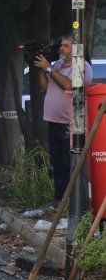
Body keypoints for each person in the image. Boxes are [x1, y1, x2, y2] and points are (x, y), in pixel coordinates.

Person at [33, 35, 92, 203]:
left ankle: (73, 201)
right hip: (53, 121)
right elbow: (46, 87)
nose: (61, 48)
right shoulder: (57, 65)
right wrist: (41, 69)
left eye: (66, 46)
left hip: (70, 123)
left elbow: (69, 86)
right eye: (61, 45)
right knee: (57, 161)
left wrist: (49, 69)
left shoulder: (82, 66)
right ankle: (59, 199)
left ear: (76, 49)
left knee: (68, 162)